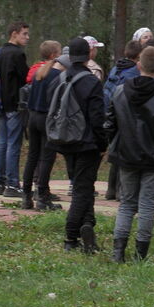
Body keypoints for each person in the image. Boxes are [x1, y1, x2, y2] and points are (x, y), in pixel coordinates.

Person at [105, 45, 154, 262]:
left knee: (127, 203)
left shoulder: (120, 92)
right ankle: (139, 255)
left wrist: (116, 144)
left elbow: (110, 123)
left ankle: (118, 254)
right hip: (153, 157)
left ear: (139, 65)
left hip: (127, 155)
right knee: (147, 205)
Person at [50, 37, 107, 253]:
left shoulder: (60, 78)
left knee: (83, 186)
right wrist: (103, 143)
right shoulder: (91, 82)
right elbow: (97, 118)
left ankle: (87, 228)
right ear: (88, 55)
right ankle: (70, 237)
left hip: (65, 141)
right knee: (83, 190)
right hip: (87, 143)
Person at [24, 41, 65, 211]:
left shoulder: (38, 73)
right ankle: (43, 196)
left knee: (32, 156)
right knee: (47, 158)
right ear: (54, 55)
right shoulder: (56, 76)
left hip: (32, 117)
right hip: (46, 119)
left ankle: (26, 195)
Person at [0, 21, 31, 197]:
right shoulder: (17, 54)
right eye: (24, 34)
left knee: (2, 142)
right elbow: (26, 77)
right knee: (13, 144)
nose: (27, 38)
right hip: (15, 103)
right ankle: (12, 184)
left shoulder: (0, 52)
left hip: (1, 102)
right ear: (14, 33)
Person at [102, 40, 143, 201]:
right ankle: (120, 190)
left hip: (111, 113)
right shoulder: (133, 72)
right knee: (124, 153)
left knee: (115, 150)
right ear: (138, 56)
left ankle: (111, 189)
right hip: (125, 115)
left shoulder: (116, 68)